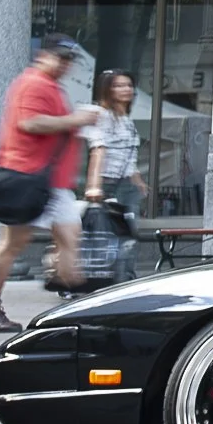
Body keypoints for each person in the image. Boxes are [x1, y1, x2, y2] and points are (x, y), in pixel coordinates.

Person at [0, 36, 101, 334]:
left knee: (69, 239)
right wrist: (76, 120)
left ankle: (77, 304)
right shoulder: (34, 83)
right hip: (30, 180)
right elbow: (30, 123)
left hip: (49, 183)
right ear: (42, 56)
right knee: (11, 245)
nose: (65, 65)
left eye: (69, 60)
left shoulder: (50, 85)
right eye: (60, 58)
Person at [82, 69, 148, 279]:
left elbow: (129, 156)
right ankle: (88, 277)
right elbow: (98, 150)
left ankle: (124, 277)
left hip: (126, 185)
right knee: (102, 234)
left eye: (128, 85)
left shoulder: (126, 120)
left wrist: (138, 181)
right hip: (107, 183)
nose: (126, 89)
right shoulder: (102, 116)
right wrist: (94, 185)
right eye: (118, 85)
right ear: (107, 89)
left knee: (127, 235)